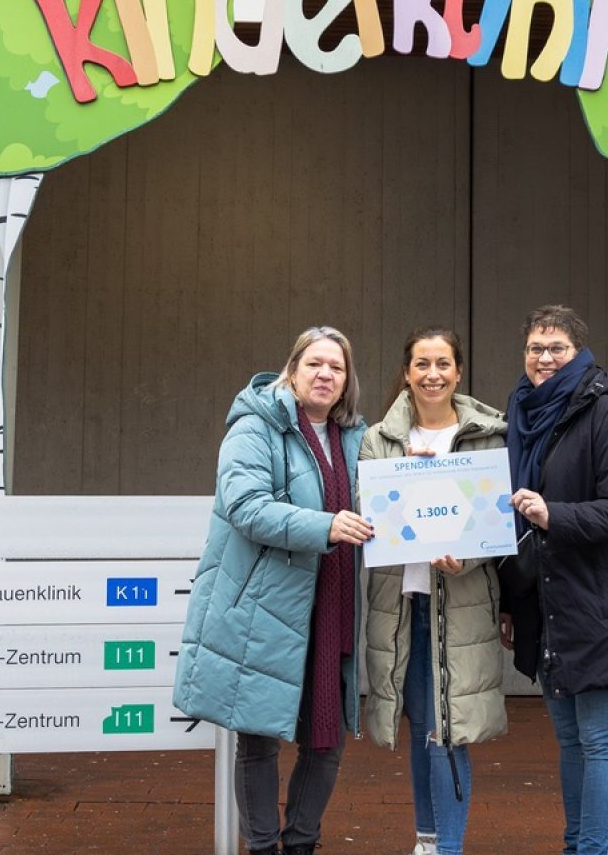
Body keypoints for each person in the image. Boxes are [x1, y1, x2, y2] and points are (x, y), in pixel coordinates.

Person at [174, 327, 375, 855]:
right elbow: (245, 506)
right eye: (315, 363)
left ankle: (301, 844)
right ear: (291, 370)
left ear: (347, 380)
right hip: (265, 611)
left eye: (337, 366)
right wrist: (325, 526)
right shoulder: (254, 425)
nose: (325, 374)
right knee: (259, 739)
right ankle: (263, 847)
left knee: (325, 738)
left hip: (331, 610)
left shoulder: (357, 437)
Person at [499, 305, 608, 855]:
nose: (543, 359)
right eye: (534, 348)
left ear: (579, 353)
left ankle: (592, 850)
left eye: (556, 349)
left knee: (600, 741)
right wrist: (510, 600)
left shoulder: (606, 414)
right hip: (551, 607)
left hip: (601, 605)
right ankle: (578, 846)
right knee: (571, 740)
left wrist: (555, 515)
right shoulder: (522, 415)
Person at [360, 327, 509, 855]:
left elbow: (501, 526)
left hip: (463, 605)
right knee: (423, 723)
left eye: (443, 363)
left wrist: (466, 556)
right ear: (407, 372)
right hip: (405, 606)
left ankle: (448, 846)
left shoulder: (488, 434)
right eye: (422, 364)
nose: (432, 374)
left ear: (458, 371)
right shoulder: (379, 438)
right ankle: (427, 840)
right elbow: (368, 511)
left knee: (450, 730)